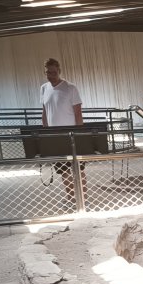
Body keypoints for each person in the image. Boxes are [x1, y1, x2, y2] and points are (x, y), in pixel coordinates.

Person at [40, 58, 86, 201]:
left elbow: (78, 113)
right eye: (48, 73)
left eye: (54, 72)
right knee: (63, 169)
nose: (51, 76)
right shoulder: (44, 88)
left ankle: (83, 199)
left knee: (78, 168)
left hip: (71, 135)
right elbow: (44, 112)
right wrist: (45, 134)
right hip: (54, 136)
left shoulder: (70, 88)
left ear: (59, 71)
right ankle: (71, 198)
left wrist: (80, 135)